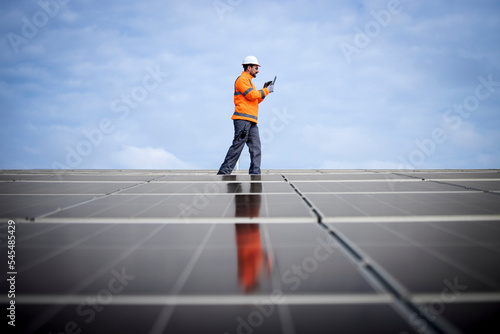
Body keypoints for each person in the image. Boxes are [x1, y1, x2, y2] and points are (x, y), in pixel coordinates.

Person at [217, 55, 274, 175]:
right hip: (242, 119)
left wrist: (265, 92)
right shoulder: (241, 80)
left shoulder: (249, 82)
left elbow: (255, 99)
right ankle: (223, 173)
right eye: (256, 68)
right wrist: (266, 90)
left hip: (251, 120)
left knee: (256, 148)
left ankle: (255, 174)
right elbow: (251, 95)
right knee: (237, 147)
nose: (257, 70)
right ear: (249, 67)